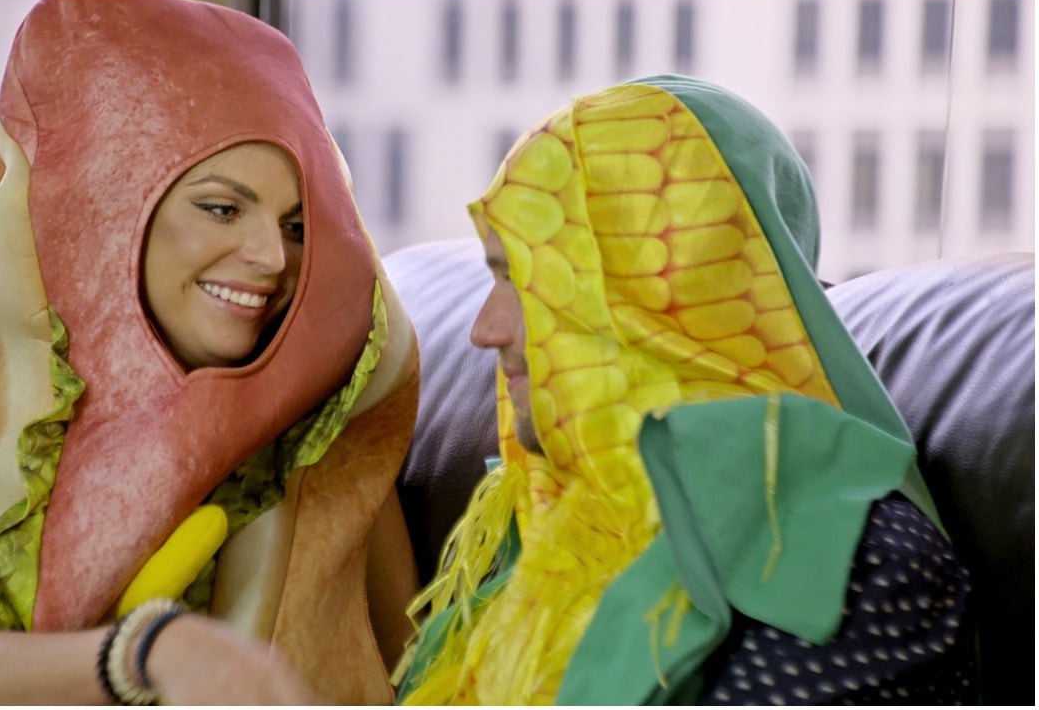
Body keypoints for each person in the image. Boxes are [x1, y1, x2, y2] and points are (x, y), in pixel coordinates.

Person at [0, 0, 420, 705]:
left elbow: (413, 671)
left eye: (297, 225)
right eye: (222, 208)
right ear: (104, 207)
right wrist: (152, 653)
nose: (270, 256)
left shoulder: (326, 415)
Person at [395, 76, 977, 704]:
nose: (484, 329)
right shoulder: (541, 525)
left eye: (527, 280)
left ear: (660, 298)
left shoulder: (847, 562)